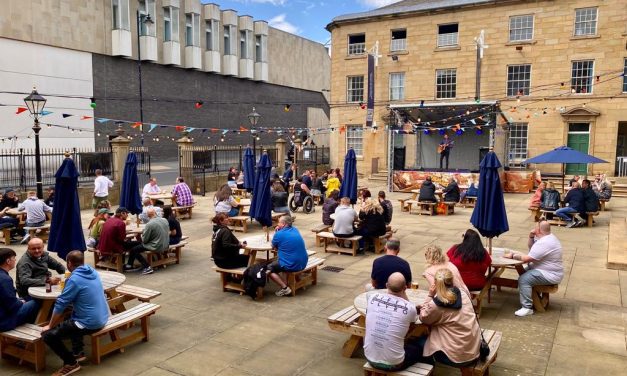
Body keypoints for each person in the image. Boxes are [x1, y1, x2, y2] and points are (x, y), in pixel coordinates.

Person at [42, 251, 109, 376]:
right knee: (72, 317)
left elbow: (60, 303)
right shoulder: (92, 271)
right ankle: (78, 353)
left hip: (91, 323)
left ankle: (71, 363)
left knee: (48, 335)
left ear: (69, 263)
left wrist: (50, 326)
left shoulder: (74, 279)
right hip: (103, 317)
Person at [418, 268, 481, 367]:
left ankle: (429, 370)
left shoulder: (436, 304)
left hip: (456, 357)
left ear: (435, 283)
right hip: (473, 348)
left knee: (417, 343)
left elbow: (424, 318)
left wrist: (430, 296)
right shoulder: (462, 293)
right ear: (452, 281)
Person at [505, 221, 563, 317]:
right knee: (524, 272)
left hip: (550, 274)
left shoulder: (545, 243)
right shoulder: (549, 237)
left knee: (524, 279)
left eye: (535, 228)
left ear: (539, 230)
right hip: (545, 270)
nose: (533, 229)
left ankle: (527, 308)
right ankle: (531, 297)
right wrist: (531, 236)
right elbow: (532, 248)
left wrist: (512, 255)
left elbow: (527, 259)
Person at [363, 272, 420, 372]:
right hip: (394, 364)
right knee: (419, 346)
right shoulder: (410, 308)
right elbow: (413, 321)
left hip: (369, 357)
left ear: (386, 285)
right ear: (405, 288)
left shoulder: (372, 297)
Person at [0, 248, 40, 332]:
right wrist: (20, 302)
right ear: (8, 261)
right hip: (4, 321)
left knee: (26, 299)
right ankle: (34, 330)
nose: (15, 260)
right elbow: (12, 306)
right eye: (14, 258)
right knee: (37, 302)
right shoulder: (5, 279)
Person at [268, 215, 308, 296]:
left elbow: (272, 247)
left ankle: (285, 288)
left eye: (279, 222)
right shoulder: (295, 230)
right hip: (303, 262)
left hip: (291, 264)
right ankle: (287, 281)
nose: (277, 224)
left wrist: (276, 233)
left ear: (283, 224)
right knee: (283, 259)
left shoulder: (279, 234)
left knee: (268, 268)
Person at [125, 208, 169, 275]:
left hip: (155, 245)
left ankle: (147, 267)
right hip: (165, 243)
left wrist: (143, 233)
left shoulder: (149, 224)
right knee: (136, 245)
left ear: (147, 216)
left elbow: (145, 240)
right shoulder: (164, 220)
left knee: (134, 250)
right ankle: (129, 265)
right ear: (155, 213)